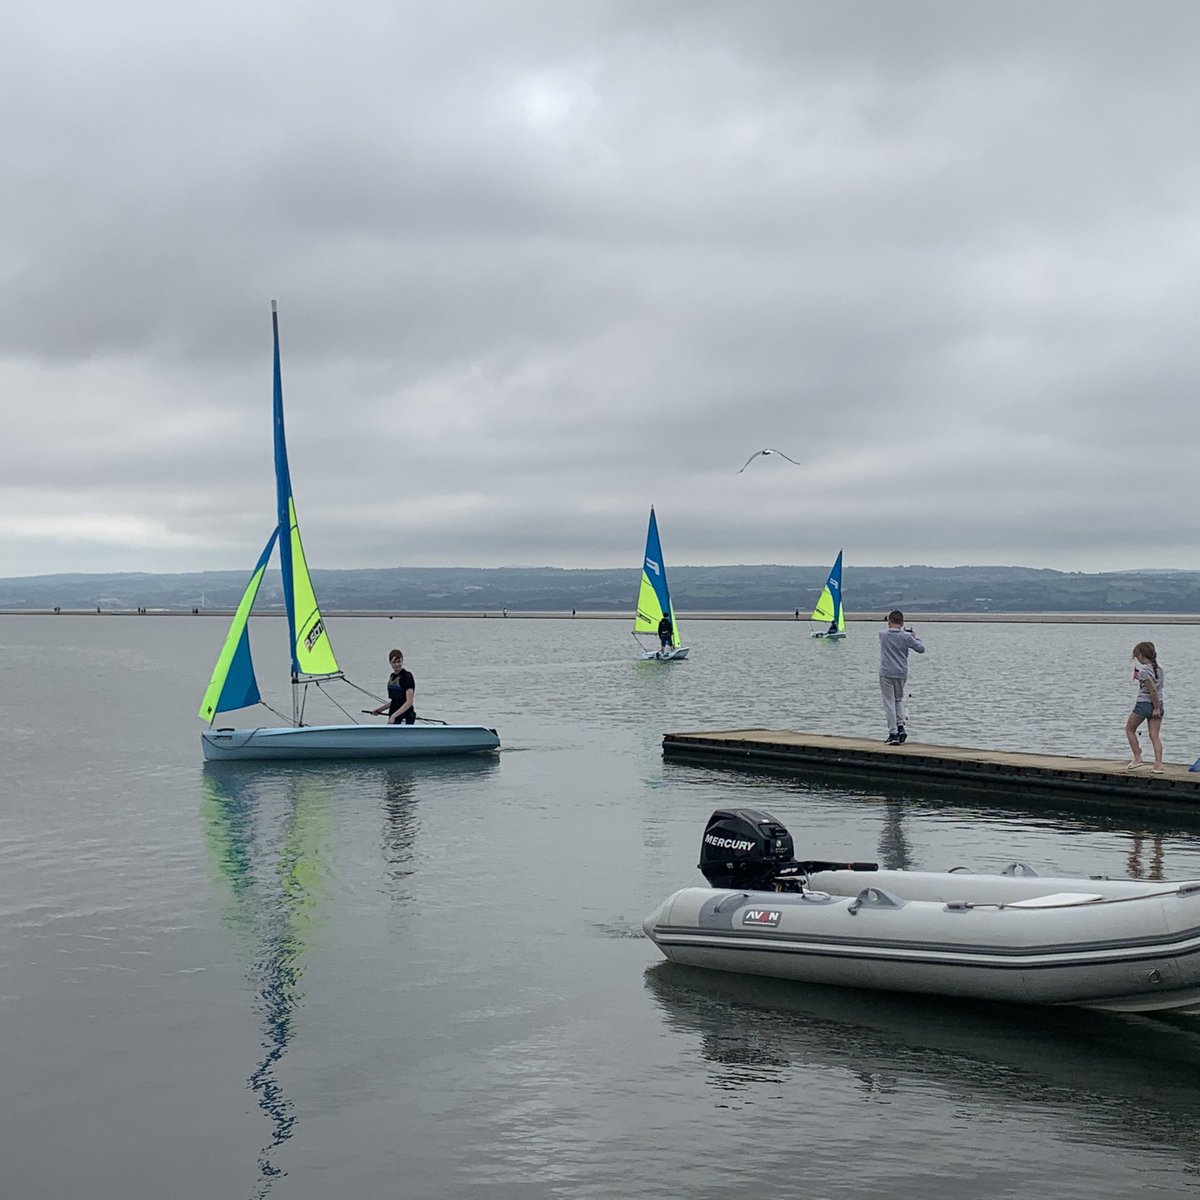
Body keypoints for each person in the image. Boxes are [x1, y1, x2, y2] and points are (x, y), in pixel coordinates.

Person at [879, 610, 924, 744]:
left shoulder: (882, 634)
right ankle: (901, 728)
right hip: (901, 673)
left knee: (889, 703)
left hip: (886, 672)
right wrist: (915, 638)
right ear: (903, 622)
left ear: (889, 622)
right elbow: (921, 649)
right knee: (898, 700)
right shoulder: (906, 637)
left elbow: (890, 633)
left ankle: (893, 734)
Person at [1125, 641, 1164, 771]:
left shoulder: (1144, 671)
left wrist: (1156, 707)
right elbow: (1156, 690)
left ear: (1141, 655)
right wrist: (1158, 707)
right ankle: (1158, 765)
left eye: (1137, 657)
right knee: (1155, 736)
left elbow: (1152, 691)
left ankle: (1137, 757)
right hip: (1159, 703)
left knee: (1130, 729)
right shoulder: (1159, 669)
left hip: (1145, 704)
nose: (1137, 659)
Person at [371, 648, 416, 724]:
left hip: (405, 717)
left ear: (402, 660)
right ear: (390, 663)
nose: (397, 664)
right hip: (394, 716)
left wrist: (394, 716)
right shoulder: (392, 677)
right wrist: (380, 710)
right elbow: (395, 701)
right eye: (394, 662)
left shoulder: (407, 676)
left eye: (399, 662)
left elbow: (409, 702)